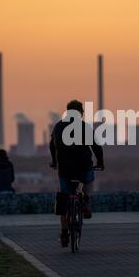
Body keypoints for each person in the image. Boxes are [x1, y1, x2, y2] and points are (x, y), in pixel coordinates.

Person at [50, 100, 104, 248]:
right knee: (89, 179)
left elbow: (51, 145)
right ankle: (85, 202)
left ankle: (63, 234)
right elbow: (96, 146)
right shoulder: (84, 127)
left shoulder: (58, 126)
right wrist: (100, 162)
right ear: (80, 113)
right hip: (83, 167)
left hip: (64, 169)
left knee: (64, 198)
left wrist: (55, 161)